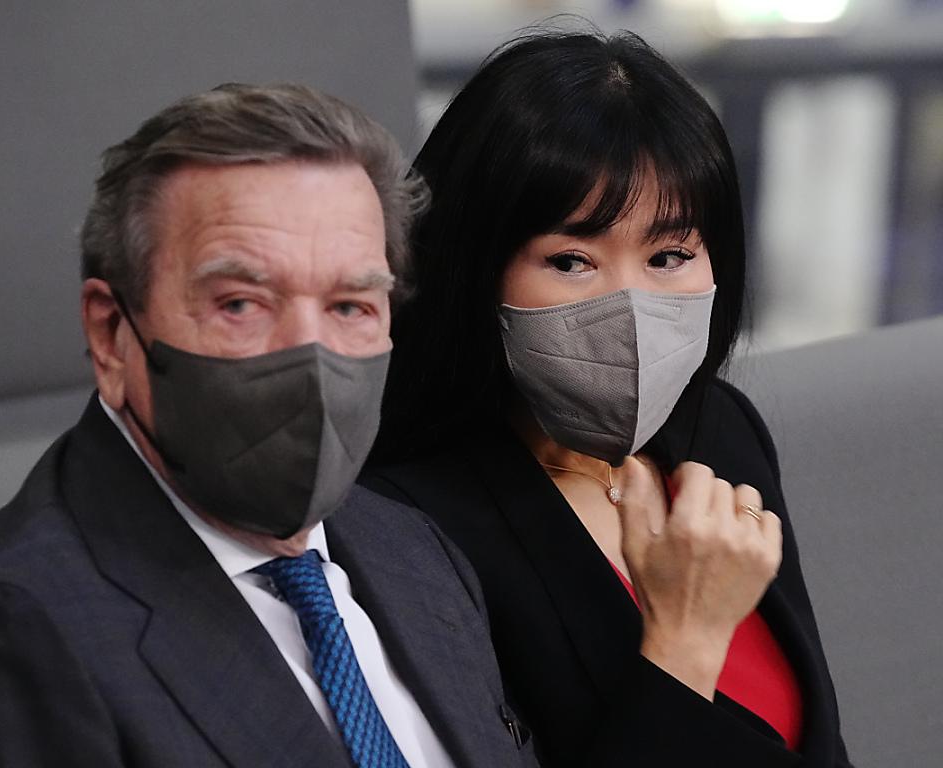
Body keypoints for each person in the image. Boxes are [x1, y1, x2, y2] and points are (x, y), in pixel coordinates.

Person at [0, 83, 538, 768]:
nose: (311, 356)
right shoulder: (20, 627)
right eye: (241, 304)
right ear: (111, 334)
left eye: (350, 306)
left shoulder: (416, 549)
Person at [364, 31, 853, 767]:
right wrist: (686, 638)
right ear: (472, 267)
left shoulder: (721, 429)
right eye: (572, 261)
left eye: (669, 256)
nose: (630, 305)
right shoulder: (404, 526)